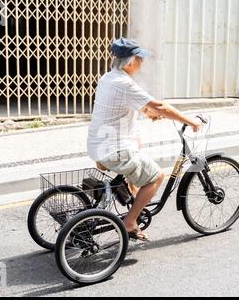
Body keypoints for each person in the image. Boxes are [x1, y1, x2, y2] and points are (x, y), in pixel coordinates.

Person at [87, 37, 202, 241]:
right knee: (157, 176)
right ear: (130, 62)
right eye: (140, 58)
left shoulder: (108, 78)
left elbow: (134, 104)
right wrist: (191, 121)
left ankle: (130, 197)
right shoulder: (125, 83)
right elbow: (161, 106)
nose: (143, 62)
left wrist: (149, 113)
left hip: (98, 146)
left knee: (137, 143)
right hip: (114, 151)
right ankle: (129, 222)